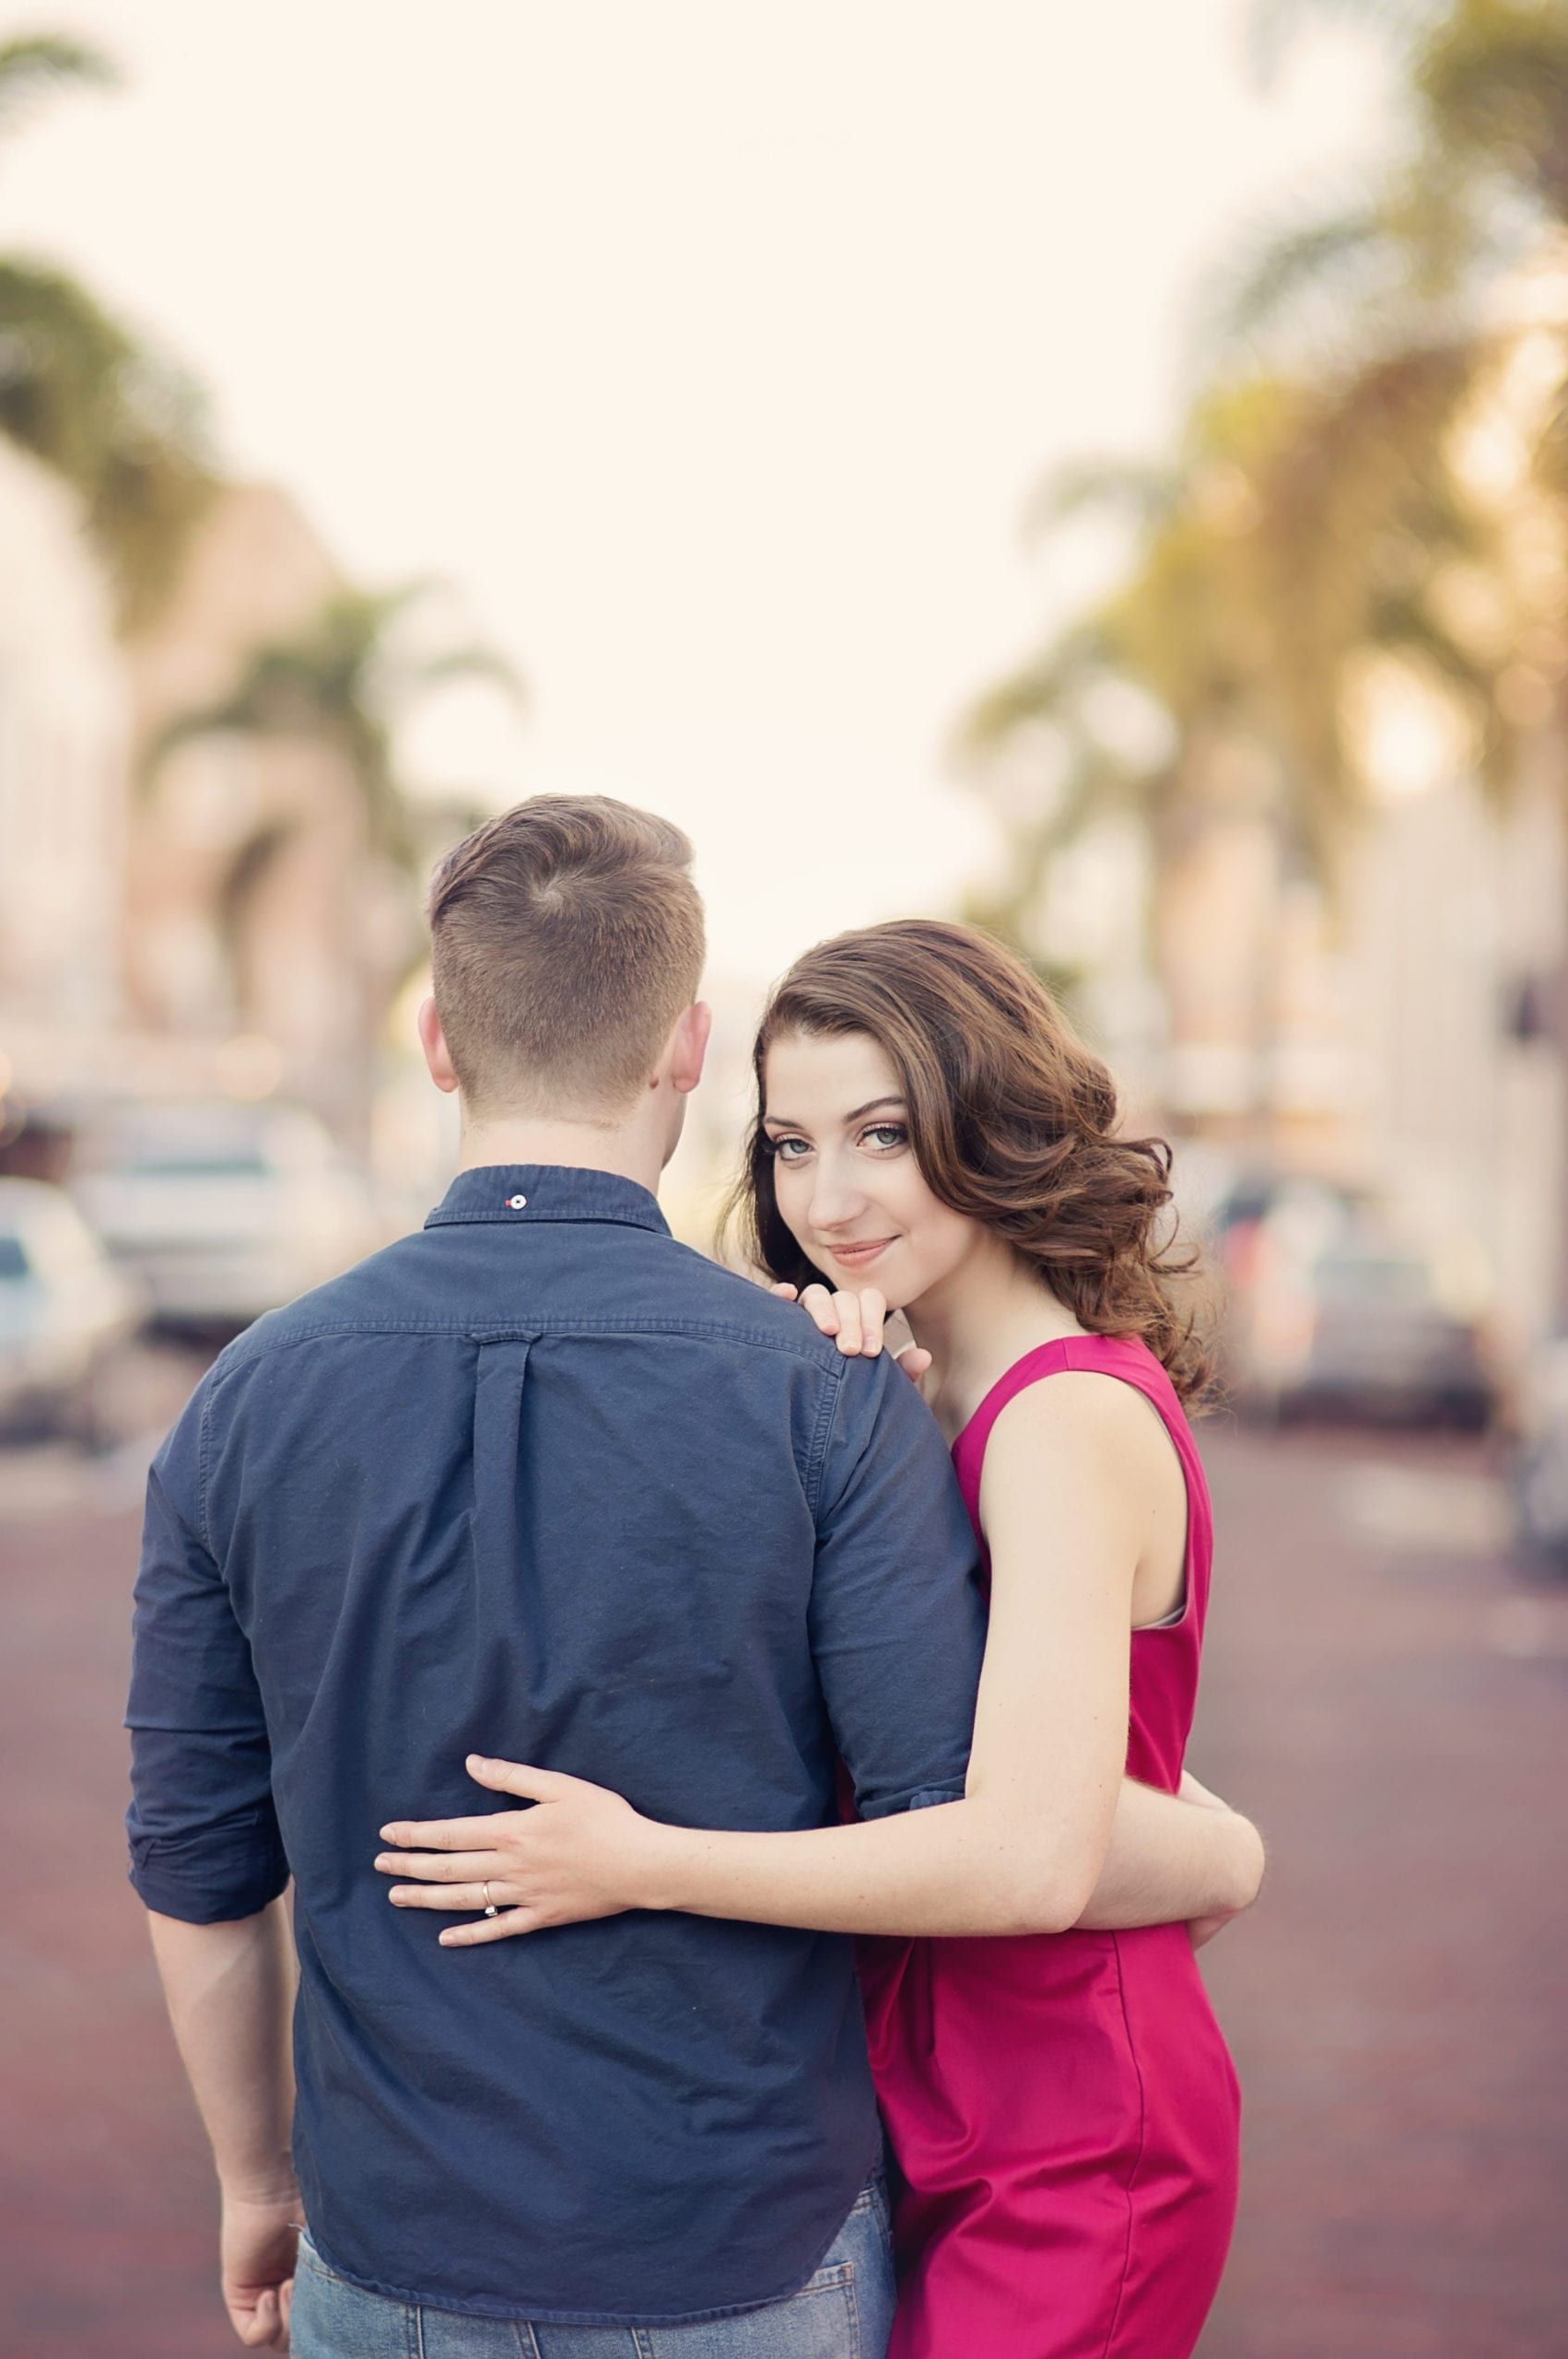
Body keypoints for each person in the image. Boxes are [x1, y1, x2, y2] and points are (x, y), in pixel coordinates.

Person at [127, 799, 1261, 2358]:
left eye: (880, 1134)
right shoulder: (844, 1388)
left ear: (438, 1044)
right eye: (797, 1143)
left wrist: (259, 2180)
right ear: (686, 1048)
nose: (829, 1195)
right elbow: (953, 1797)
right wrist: (1219, 1850)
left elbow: (197, 1863)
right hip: (767, 2231)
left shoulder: (237, 1402)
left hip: (440, 2236)